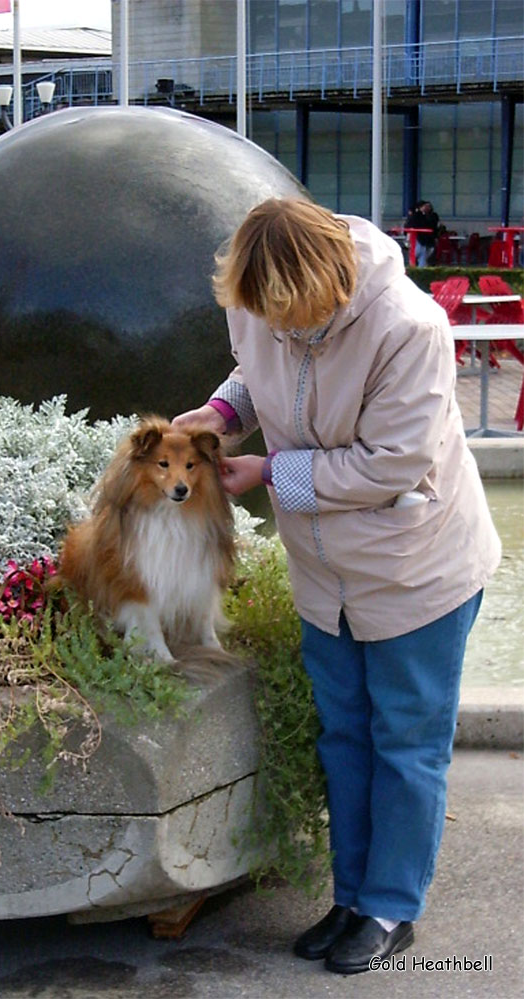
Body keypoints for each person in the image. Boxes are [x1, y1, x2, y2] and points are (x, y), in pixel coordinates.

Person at [172, 198, 500, 976]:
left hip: (414, 568)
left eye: (289, 319)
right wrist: (224, 413)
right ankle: (350, 896)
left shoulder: (409, 328)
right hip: (326, 568)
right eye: (264, 318)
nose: (274, 331)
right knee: (343, 735)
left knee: (407, 744)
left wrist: (269, 473)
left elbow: (390, 463)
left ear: (328, 287)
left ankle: (390, 906)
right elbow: (256, 372)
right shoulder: (266, 304)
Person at [405, 199, 439, 266]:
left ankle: (419, 268)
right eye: (425, 206)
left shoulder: (431, 216)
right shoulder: (416, 216)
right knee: (420, 253)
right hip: (419, 238)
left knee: (424, 253)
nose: (427, 208)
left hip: (427, 239)